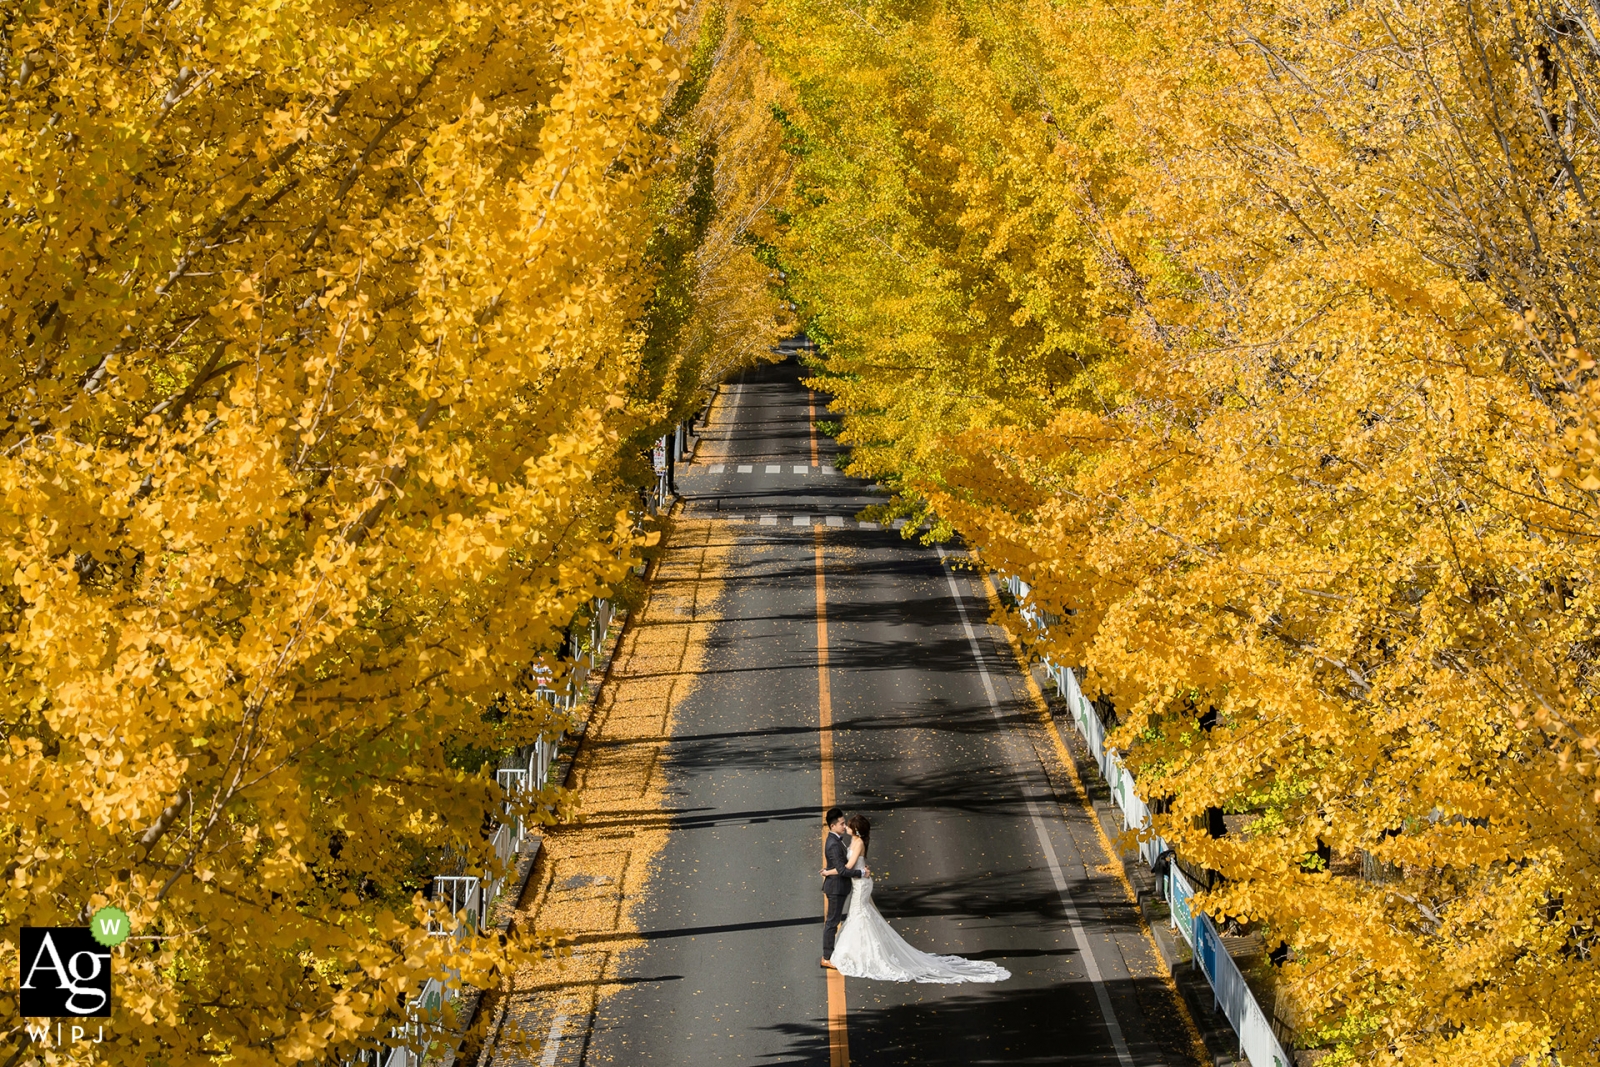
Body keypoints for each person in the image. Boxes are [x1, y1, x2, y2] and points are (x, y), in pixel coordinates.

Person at [827, 814, 1010, 984]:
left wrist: (833, 871)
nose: (846, 827)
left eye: (848, 825)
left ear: (855, 830)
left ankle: (862, 954)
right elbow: (850, 866)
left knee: (860, 915)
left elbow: (848, 867)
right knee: (861, 915)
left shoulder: (858, 843)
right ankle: (861, 951)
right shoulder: (853, 841)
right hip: (860, 883)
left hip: (862, 884)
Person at [820, 807, 865, 968]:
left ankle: (831, 954)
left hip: (839, 887)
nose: (844, 826)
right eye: (841, 823)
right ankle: (826, 957)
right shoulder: (833, 844)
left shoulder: (837, 840)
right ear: (832, 826)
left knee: (834, 920)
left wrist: (827, 871)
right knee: (832, 922)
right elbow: (843, 870)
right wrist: (860, 872)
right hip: (836, 888)